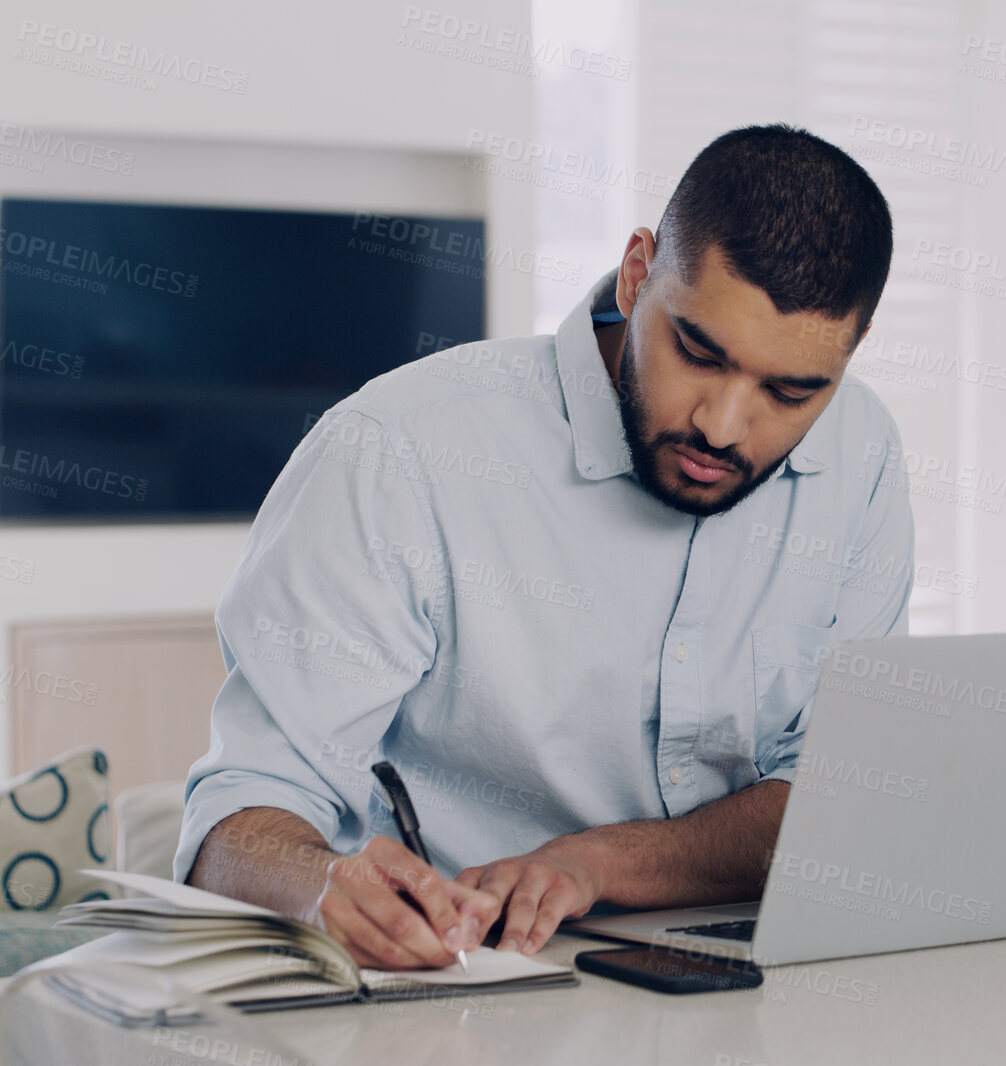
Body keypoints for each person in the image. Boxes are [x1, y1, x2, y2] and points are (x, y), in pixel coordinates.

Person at [175, 124, 911, 970]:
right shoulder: (397, 452)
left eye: (790, 392)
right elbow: (240, 820)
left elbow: (837, 796)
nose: (723, 425)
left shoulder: (860, 450)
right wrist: (317, 884)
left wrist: (597, 862)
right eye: (699, 353)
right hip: (467, 986)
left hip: (760, 975)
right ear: (638, 273)